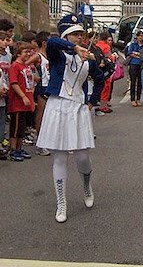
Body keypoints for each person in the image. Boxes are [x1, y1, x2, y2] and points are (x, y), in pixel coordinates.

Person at [36, 14, 104, 223]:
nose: (79, 38)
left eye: (80, 35)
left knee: (82, 157)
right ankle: (61, 202)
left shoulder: (87, 57)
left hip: (79, 109)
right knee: (60, 156)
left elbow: (101, 78)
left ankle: (86, 185)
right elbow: (53, 42)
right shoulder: (57, 53)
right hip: (58, 106)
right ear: (67, 36)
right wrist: (73, 48)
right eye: (74, 34)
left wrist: (92, 101)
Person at [7, 42, 36, 161]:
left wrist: (30, 97)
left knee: (22, 128)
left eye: (30, 52)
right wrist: (23, 96)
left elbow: (30, 82)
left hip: (27, 102)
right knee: (16, 127)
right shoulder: (15, 66)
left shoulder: (26, 67)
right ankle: (13, 149)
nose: (28, 54)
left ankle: (19, 147)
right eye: (25, 52)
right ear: (18, 54)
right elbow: (14, 83)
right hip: (17, 103)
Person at [33, 31, 51, 157]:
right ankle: (40, 142)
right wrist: (34, 77)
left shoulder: (48, 55)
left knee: (48, 114)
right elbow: (23, 64)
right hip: (41, 87)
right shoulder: (38, 56)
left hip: (49, 86)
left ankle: (46, 139)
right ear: (44, 43)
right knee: (41, 113)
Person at [0, 30, 12, 157]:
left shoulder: (8, 56)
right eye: (2, 40)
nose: (5, 43)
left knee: (2, 119)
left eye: (6, 40)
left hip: (5, 89)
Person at [126, 30, 143, 107]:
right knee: (133, 82)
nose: (140, 37)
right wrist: (137, 55)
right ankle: (133, 99)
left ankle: (138, 99)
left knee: (140, 82)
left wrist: (136, 53)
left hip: (141, 65)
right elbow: (130, 53)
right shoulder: (133, 44)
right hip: (133, 64)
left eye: (141, 36)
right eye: (139, 36)